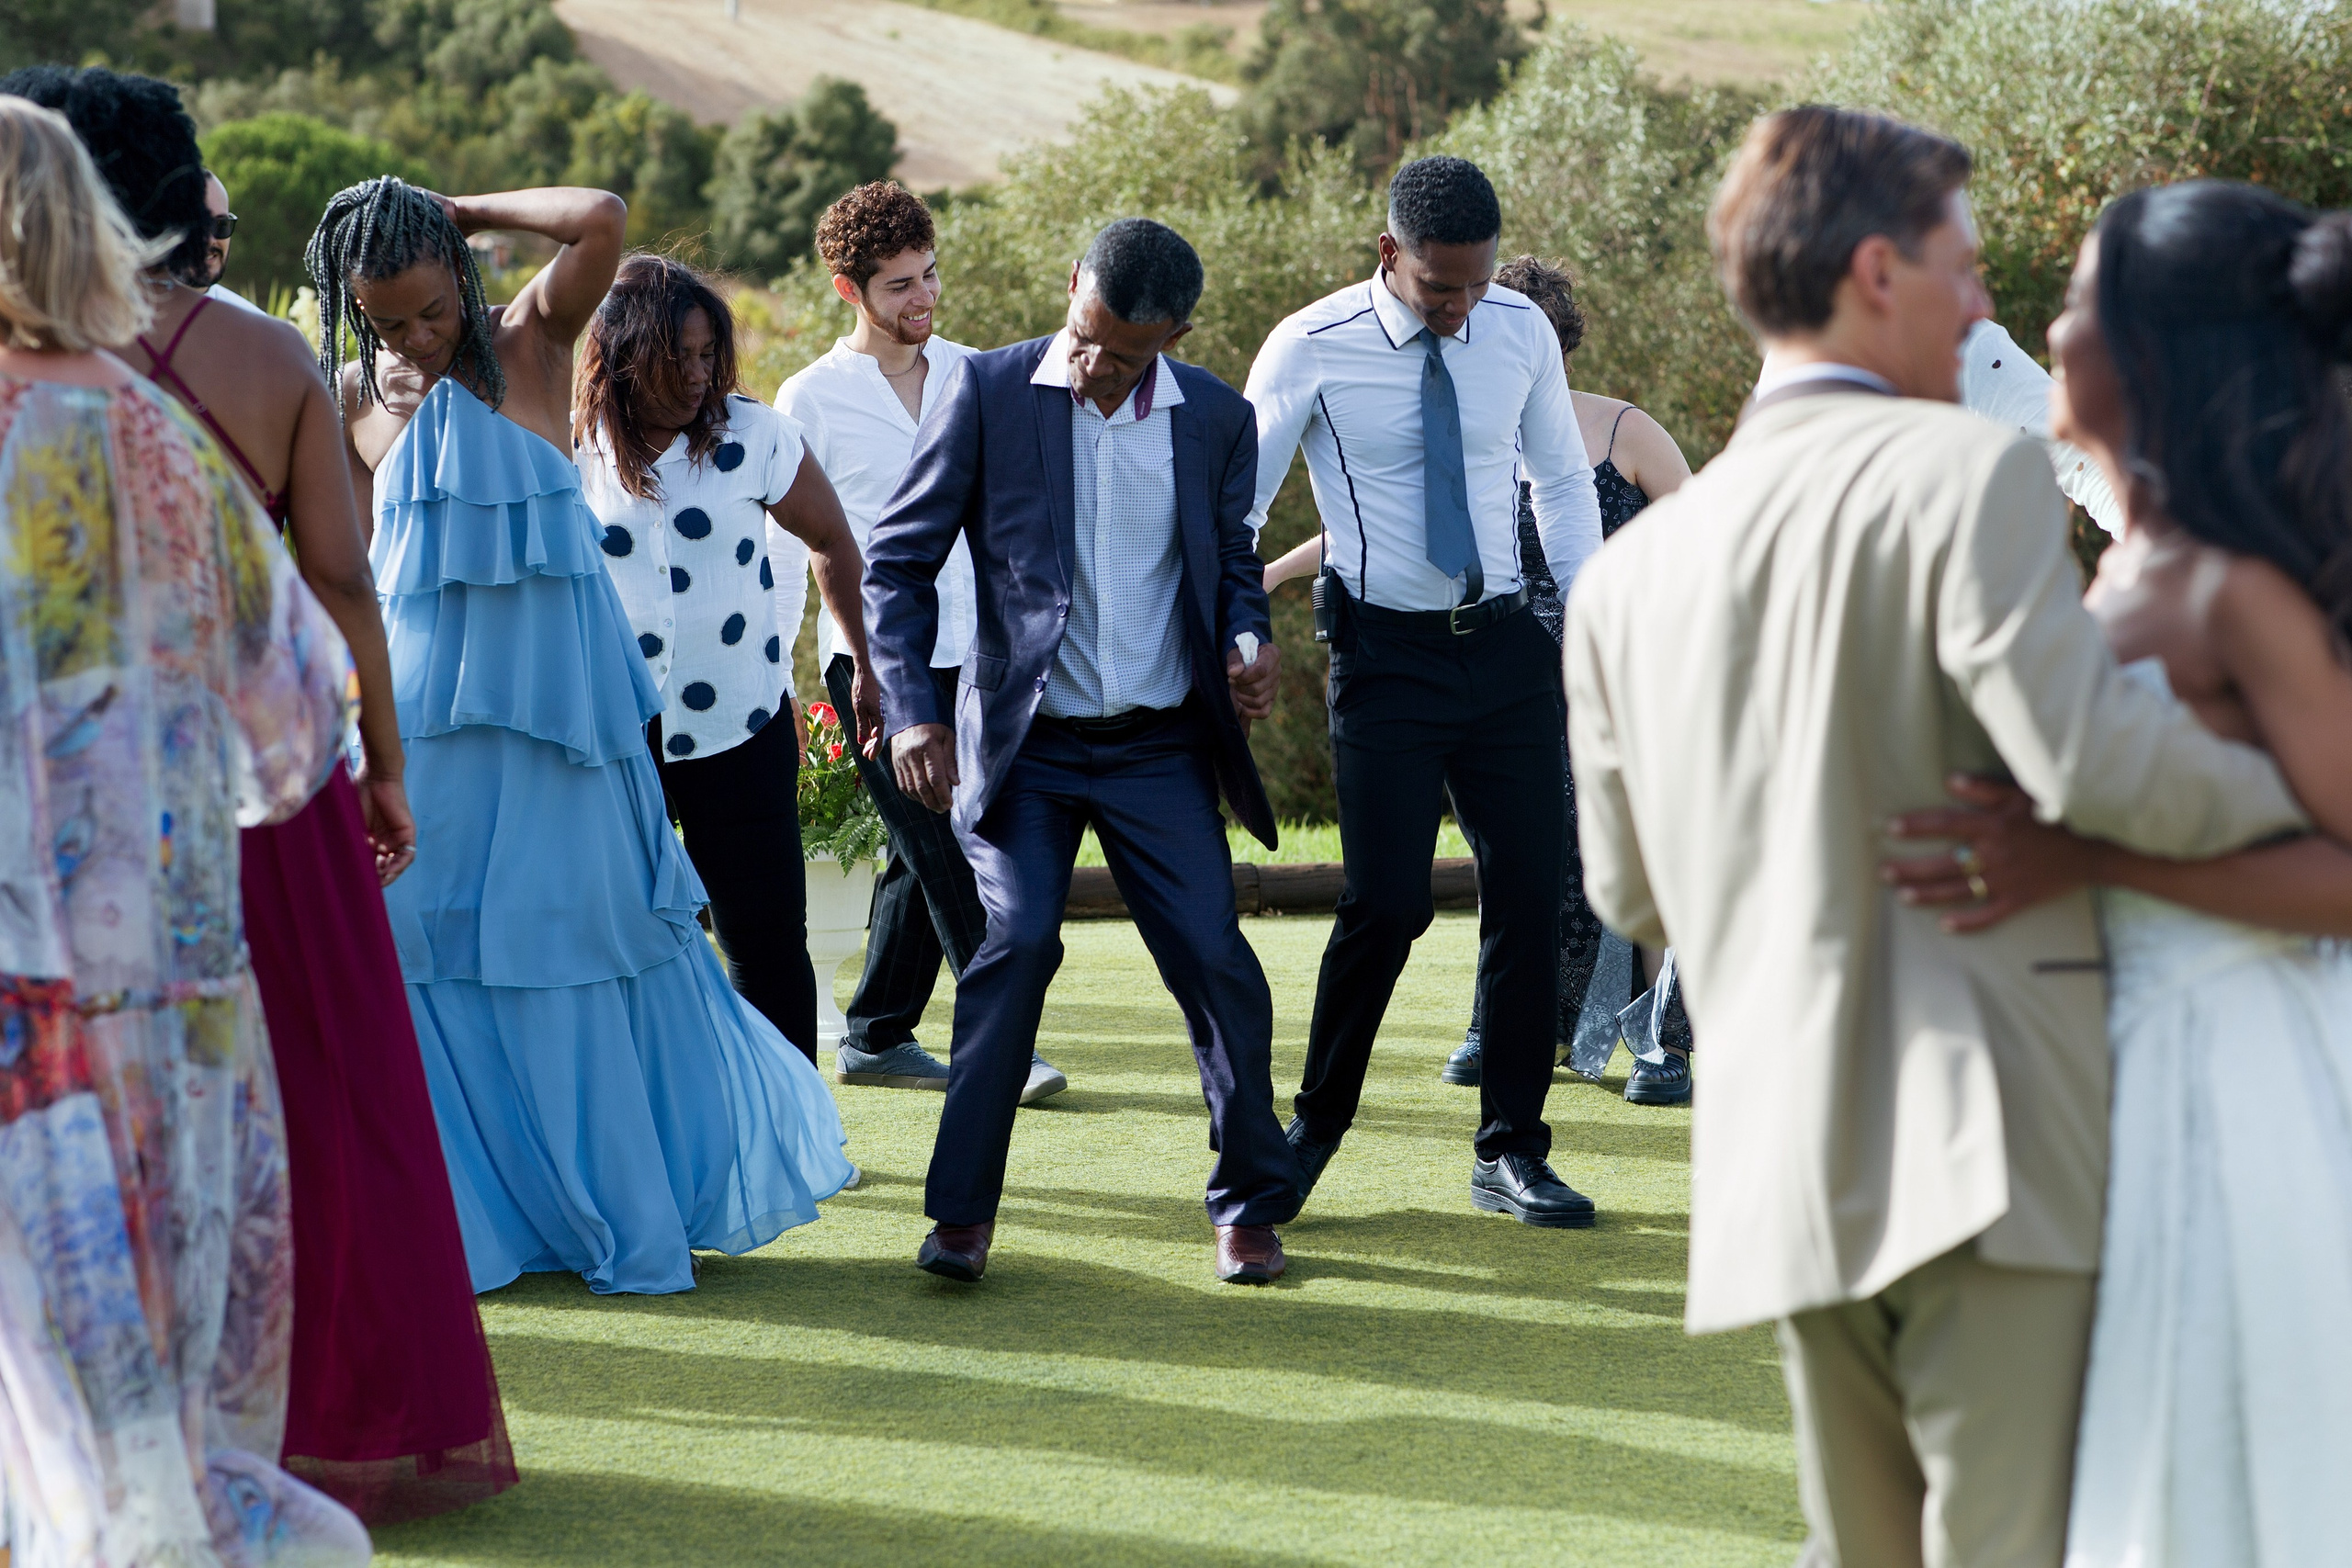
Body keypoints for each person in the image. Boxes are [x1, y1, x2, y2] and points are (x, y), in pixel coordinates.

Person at [1564, 107, 2311, 1568]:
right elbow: (2097, 764)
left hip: (1780, 1144)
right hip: (1994, 1129)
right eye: (1963, 267)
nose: (1984, 304)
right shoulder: (1961, 477)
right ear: (1874, 271)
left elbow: (1628, 889)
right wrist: (2291, 782)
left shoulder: (1629, 574)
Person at [3, 64, 515, 1520]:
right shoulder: (263, 363)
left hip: (45, 816)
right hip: (240, 802)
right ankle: (324, 1411)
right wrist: (388, 769)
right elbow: (341, 589)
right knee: (314, 1103)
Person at [1880, 180, 2352, 1567]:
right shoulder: (2133, 559)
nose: (2042, 328)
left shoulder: (2223, 585)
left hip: (2230, 1071)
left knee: (2217, 1453)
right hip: (2117, 1062)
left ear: (2150, 352)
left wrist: (2076, 854)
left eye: (2077, 301)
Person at [311, 175, 854, 1296]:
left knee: (591, 942)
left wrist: (460, 207)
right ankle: (472, 1215)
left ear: (458, 277)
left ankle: (617, 1197)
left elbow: (601, 215)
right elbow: (356, 579)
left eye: (428, 307)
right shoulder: (351, 397)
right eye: (387, 318)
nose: (415, 334)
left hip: (565, 719)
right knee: (427, 950)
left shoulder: (531, 337)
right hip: (427, 718)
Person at [0, 95, 370, 1567]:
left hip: (25, 1005)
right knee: (163, 1439)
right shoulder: (161, 437)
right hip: (171, 1010)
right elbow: (294, 731)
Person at [865, 218, 1299, 1285]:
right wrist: (915, 710)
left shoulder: (1217, 420)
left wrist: (1249, 639)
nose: (1098, 368)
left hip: (1159, 746)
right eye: (1089, 338)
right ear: (1072, 290)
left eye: (1126, 353)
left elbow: (1232, 560)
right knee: (1013, 950)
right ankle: (960, 1219)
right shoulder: (989, 391)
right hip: (1028, 750)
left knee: (1216, 960)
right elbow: (897, 564)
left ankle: (1246, 1202)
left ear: (1177, 333)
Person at [1242, 155, 1604, 1226]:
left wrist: (1580, 619)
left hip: (1504, 653)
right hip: (1382, 657)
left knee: (1533, 894)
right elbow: (1240, 506)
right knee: (1388, 904)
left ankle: (1510, 1151)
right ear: (1389, 254)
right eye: (1441, 286)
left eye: (1477, 284)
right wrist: (1236, 621)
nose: (1461, 307)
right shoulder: (1309, 346)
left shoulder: (1518, 331)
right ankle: (1311, 1131)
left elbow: (1561, 479)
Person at [1261, 253, 1698, 1107]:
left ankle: (1659, 1038)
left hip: (1608, 654)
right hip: (1504, 659)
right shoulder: (1471, 421)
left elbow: (1697, 535)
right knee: (1522, 863)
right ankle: (1510, 1029)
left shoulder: (1623, 431)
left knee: (1636, 841)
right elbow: (1400, 525)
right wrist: (1270, 574)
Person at [775, 181, 1067, 1102]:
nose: (923, 298)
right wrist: (780, 680)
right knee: (949, 850)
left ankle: (875, 1034)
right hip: (871, 664)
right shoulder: (808, 399)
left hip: (980, 658)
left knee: (918, 846)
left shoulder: (980, 374)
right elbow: (789, 552)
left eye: (929, 275)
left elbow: (1018, 521)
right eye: (899, 284)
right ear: (846, 289)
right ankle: (1001, 1044)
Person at [575, 252, 879, 1060]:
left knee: (767, 946)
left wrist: (864, 661)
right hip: (612, 742)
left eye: (710, 354)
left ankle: (793, 1138)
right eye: (680, 358)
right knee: (611, 947)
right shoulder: (572, 451)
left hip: (742, 732)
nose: (701, 375)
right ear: (624, 356)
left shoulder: (757, 434)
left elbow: (833, 541)